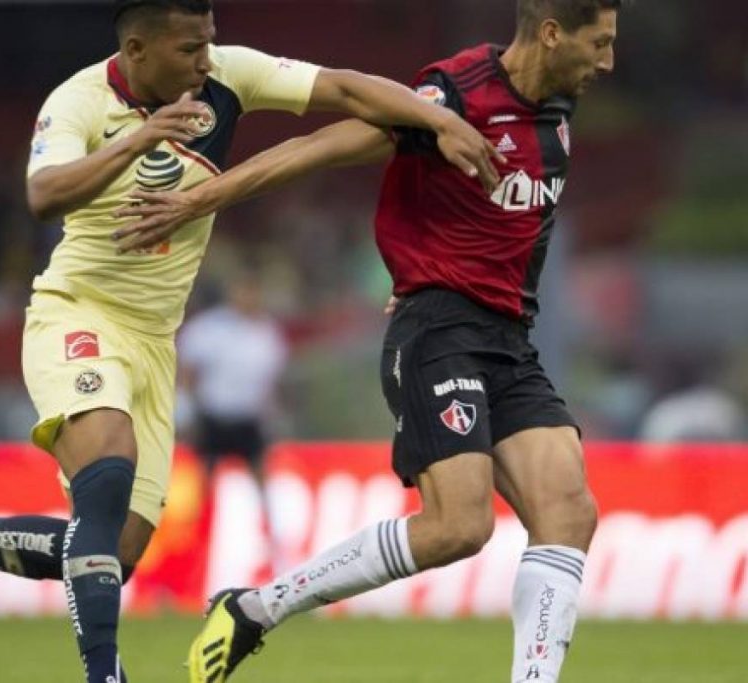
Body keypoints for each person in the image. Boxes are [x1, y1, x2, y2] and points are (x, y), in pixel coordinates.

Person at [0, 1, 502, 681]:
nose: (205, 60)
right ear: (136, 50)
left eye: (209, 43)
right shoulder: (77, 101)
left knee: (112, 552)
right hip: (77, 314)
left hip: (156, 340)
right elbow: (44, 195)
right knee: (107, 471)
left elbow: (344, 87)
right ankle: (106, 673)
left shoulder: (228, 77)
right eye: (189, 49)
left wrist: (440, 118)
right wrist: (136, 138)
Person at [115, 2, 620, 681]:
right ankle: (257, 608)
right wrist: (195, 201)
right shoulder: (454, 95)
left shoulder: (559, 108)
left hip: (508, 336)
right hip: (439, 328)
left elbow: (520, 226)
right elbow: (312, 148)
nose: (608, 63)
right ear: (553, 33)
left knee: (569, 509)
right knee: (458, 526)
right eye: (601, 43)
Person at [177, 271, 287, 485]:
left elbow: (270, 381)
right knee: (205, 475)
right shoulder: (209, 328)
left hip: (248, 416)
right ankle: (203, 516)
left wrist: (273, 414)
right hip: (213, 415)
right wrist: (186, 409)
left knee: (261, 473)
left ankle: (267, 517)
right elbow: (189, 372)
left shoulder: (268, 333)